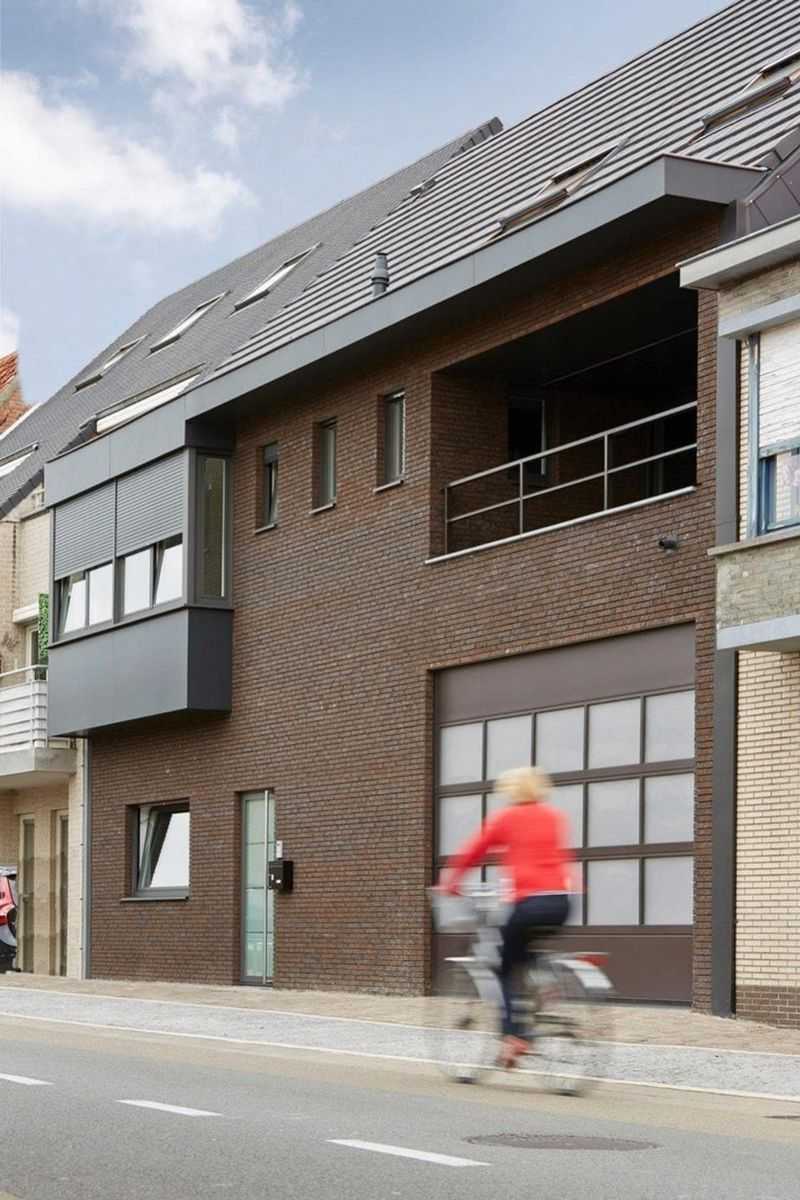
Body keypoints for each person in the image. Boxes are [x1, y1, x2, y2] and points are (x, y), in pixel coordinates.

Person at [441, 765, 572, 1069]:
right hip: (561, 902)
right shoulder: (554, 816)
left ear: (511, 791)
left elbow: (474, 851)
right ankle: (545, 980)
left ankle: (513, 1036)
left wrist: (451, 881)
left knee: (500, 964)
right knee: (524, 949)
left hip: (528, 903)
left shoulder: (507, 817)